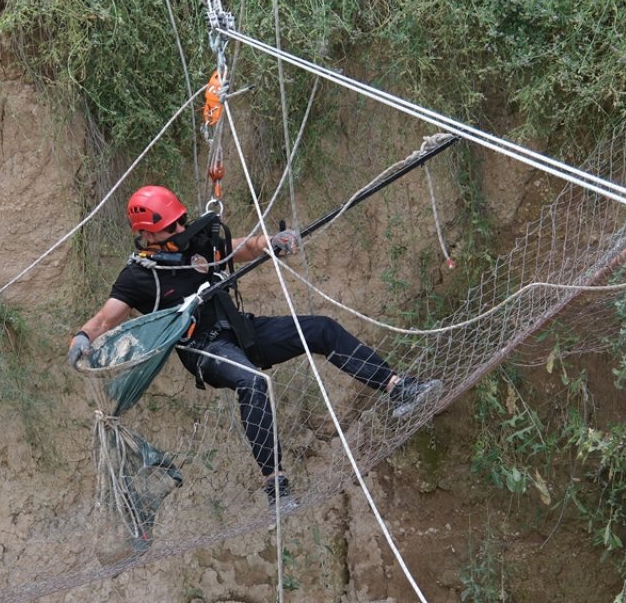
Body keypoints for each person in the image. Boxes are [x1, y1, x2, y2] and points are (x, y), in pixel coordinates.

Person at [68, 185, 440, 505]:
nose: (181, 229)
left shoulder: (196, 243)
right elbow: (104, 320)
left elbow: (239, 249)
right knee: (252, 380)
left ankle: (398, 388)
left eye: (181, 220)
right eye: (171, 227)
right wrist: (82, 338)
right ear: (147, 235)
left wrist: (270, 243)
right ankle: (275, 486)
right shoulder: (137, 277)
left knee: (322, 329)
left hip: (242, 330)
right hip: (206, 351)